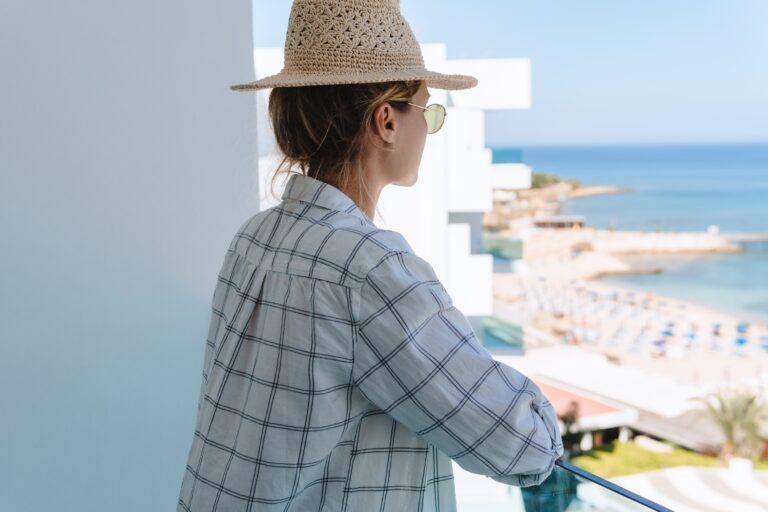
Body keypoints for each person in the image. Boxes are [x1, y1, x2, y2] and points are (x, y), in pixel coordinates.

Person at [177, 1, 563, 510]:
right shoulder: (369, 270)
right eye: (428, 110)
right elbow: (523, 446)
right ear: (386, 121)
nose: (429, 128)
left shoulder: (255, 239)